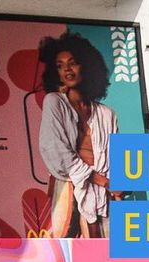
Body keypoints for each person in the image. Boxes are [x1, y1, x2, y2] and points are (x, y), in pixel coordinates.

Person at [37, 31, 118, 238]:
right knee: (69, 257)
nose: (67, 69)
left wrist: (115, 186)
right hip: (69, 192)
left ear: (88, 67)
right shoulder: (54, 102)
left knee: (107, 258)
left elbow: (117, 158)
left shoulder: (106, 114)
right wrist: (99, 179)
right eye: (60, 65)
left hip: (105, 195)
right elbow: (57, 151)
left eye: (72, 63)